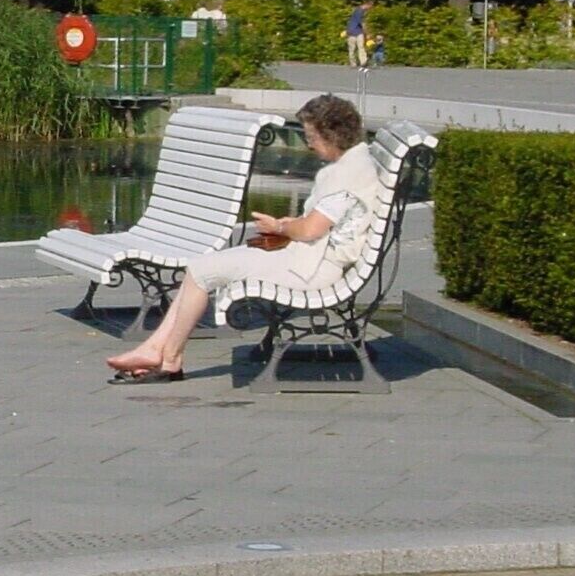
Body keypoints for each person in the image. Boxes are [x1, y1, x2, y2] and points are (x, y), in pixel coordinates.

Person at [108, 95, 380, 384]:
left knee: (201, 271)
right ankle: (155, 349)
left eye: (312, 137)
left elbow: (311, 230)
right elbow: (320, 225)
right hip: (309, 259)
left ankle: (169, 358)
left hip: (311, 268)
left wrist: (279, 226)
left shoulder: (347, 174)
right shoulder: (355, 165)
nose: (309, 144)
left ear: (332, 134)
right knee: (199, 269)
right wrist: (288, 225)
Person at [344, 0, 372, 67]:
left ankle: (363, 62)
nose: (369, 9)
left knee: (360, 47)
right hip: (352, 31)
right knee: (353, 48)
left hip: (358, 31)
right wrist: (367, 33)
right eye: (370, 7)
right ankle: (354, 63)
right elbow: (362, 23)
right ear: (367, 5)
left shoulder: (359, 10)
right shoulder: (360, 11)